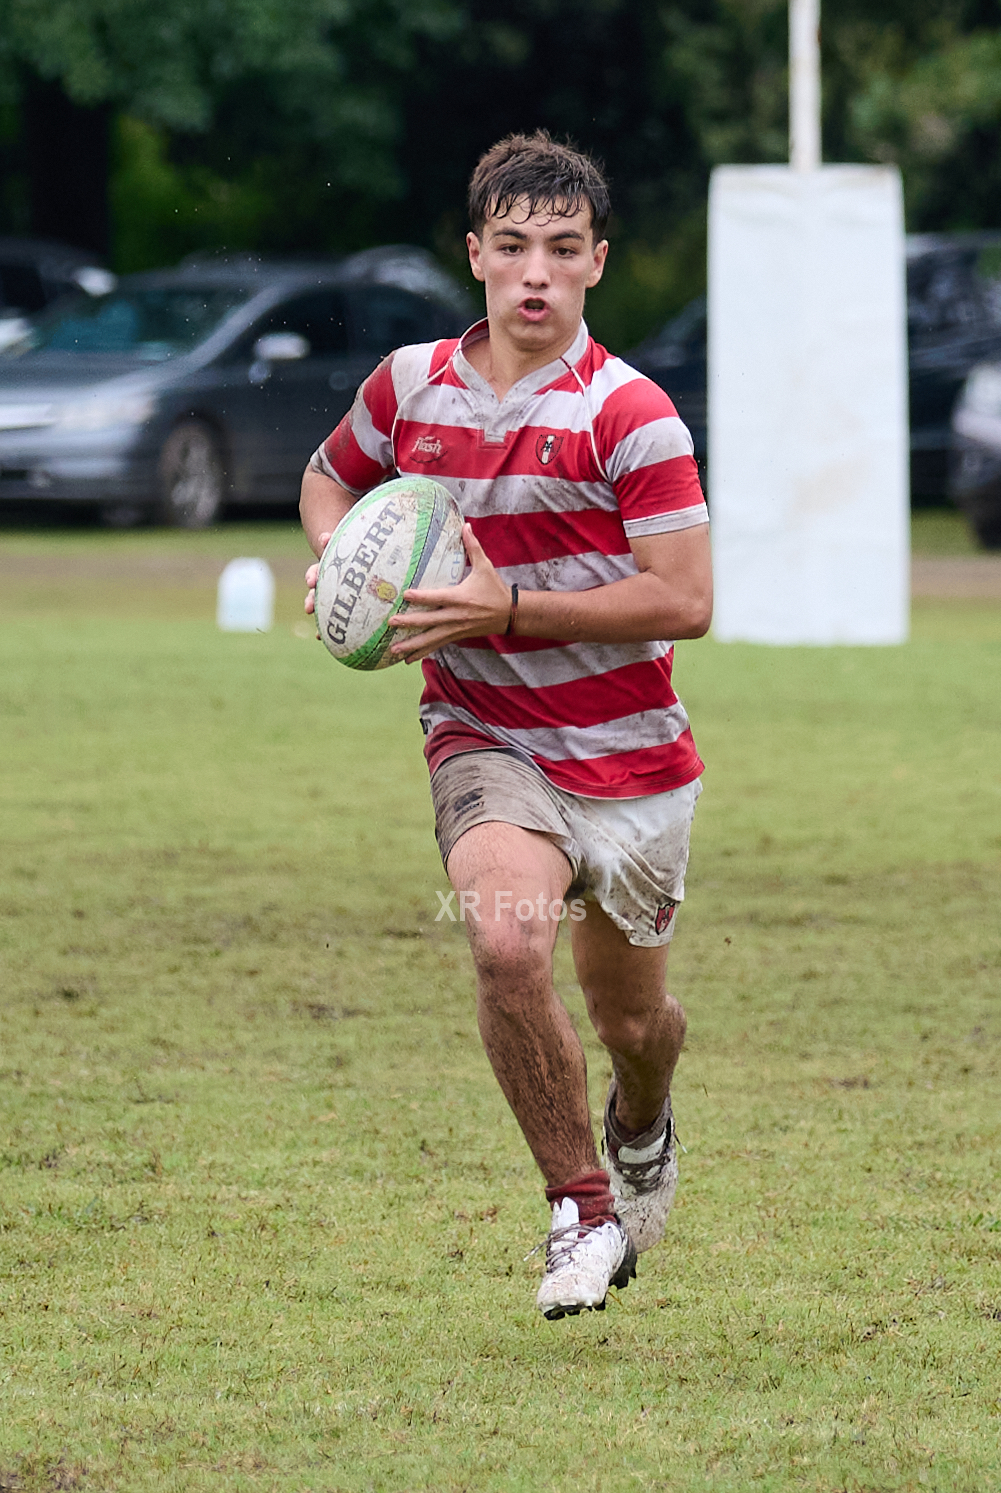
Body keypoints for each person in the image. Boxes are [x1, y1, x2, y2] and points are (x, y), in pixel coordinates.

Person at [299, 133, 712, 1320]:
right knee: (503, 942)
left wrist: (510, 606)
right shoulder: (408, 383)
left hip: (629, 759)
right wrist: (343, 565)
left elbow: (683, 595)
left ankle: (640, 1114)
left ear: (596, 266)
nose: (536, 273)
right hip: (482, 734)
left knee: (634, 1019)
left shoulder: (628, 413)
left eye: (563, 251)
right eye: (514, 247)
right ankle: (579, 1208)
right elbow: (328, 481)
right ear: (473, 253)